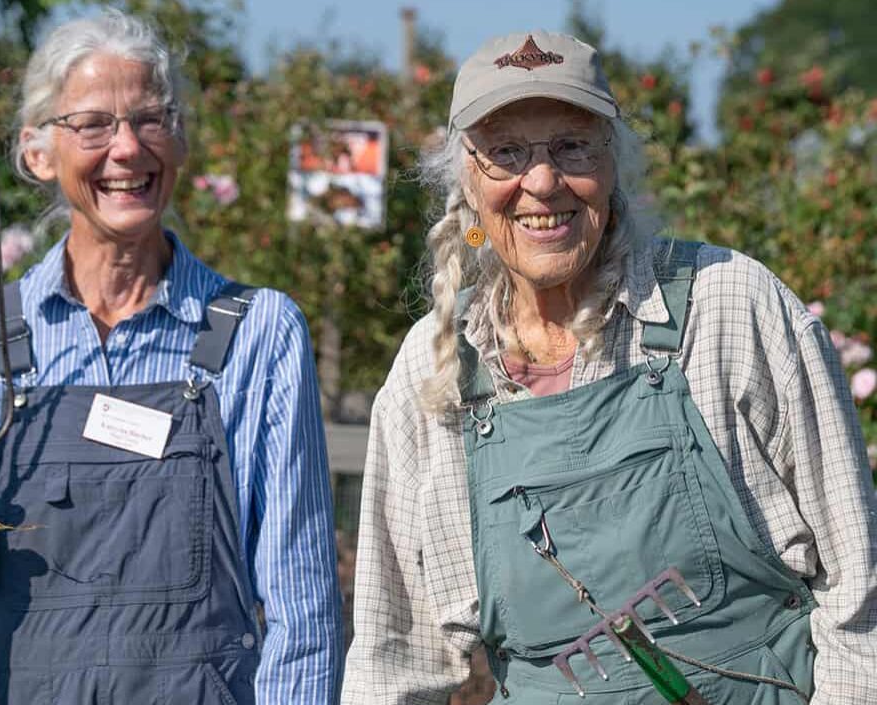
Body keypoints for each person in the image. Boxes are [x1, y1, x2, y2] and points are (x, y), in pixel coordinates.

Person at [341, 30, 877, 705]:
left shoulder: (730, 306)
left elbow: (861, 591)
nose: (541, 181)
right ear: (468, 182)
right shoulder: (438, 367)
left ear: (614, 161)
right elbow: (397, 660)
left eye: (572, 145)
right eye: (506, 152)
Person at [0, 10, 343, 704]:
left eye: (151, 119)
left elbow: (302, 607)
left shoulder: (258, 334)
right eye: (92, 124)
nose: (127, 148)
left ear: (180, 140)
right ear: (37, 151)